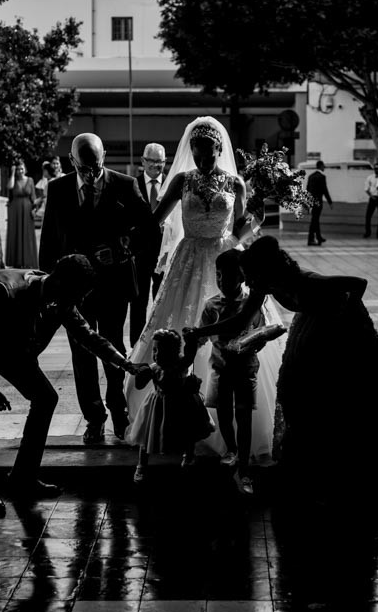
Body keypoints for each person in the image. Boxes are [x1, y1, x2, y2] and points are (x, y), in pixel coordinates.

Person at [0, 256, 148, 515]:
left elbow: (87, 335)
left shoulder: (61, 297)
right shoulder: (1, 291)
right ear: (61, 283)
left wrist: (125, 364)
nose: (80, 301)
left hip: (5, 342)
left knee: (45, 397)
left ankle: (23, 478)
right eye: (78, 294)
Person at [185, 236, 378, 498]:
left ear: (264, 272)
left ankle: (341, 464)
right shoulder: (263, 286)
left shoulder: (307, 281)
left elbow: (359, 284)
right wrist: (200, 332)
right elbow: (240, 320)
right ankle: (308, 461)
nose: (246, 282)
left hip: (336, 329)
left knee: (331, 395)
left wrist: (341, 318)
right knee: (294, 388)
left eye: (249, 275)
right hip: (309, 326)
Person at [124, 116, 285, 464]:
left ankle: (233, 431)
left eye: (208, 155)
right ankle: (176, 419)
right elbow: (155, 219)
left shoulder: (235, 183)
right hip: (189, 258)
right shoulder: (182, 181)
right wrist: (129, 234)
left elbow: (240, 230)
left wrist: (256, 219)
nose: (202, 161)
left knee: (231, 328)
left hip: (226, 257)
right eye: (196, 155)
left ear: (219, 149)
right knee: (181, 329)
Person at [38, 133, 154, 445]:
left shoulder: (125, 185)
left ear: (104, 157)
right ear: (71, 161)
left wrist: (121, 248)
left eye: (96, 167)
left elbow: (148, 229)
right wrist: (49, 287)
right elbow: (49, 240)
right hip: (74, 287)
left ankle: (118, 411)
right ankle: (93, 417)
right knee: (81, 353)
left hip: (114, 282)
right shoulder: (58, 188)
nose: (90, 174)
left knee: (113, 345)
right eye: (83, 168)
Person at [199, 249, 284, 495]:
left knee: (244, 415)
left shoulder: (251, 302)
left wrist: (252, 345)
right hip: (220, 366)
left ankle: (244, 469)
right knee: (224, 412)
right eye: (218, 275)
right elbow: (203, 335)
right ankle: (232, 449)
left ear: (241, 277)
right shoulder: (211, 305)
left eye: (227, 276)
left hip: (246, 368)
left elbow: (261, 332)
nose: (221, 280)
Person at [130, 329, 213, 483]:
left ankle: (189, 455)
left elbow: (190, 355)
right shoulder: (154, 368)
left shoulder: (181, 364)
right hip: (158, 404)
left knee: (188, 431)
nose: (156, 354)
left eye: (161, 350)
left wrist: (191, 340)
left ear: (174, 352)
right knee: (148, 434)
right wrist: (140, 374)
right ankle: (141, 464)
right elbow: (140, 385)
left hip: (182, 404)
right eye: (154, 350)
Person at [131, 142, 168, 345]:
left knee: (161, 300)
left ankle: (160, 342)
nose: (155, 165)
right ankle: (136, 344)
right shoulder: (132, 184)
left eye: (160, 161)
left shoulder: (171, 184)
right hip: (140, 252)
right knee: (138, 301)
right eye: (151, 161)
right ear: (143, 161)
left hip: (164, 252)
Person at [4, 159, 38, 267]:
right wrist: (12, 173)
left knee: (27, 233)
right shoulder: (13, 180)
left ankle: (27, 260)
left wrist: (34, 209)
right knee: (16, 233)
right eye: (18, 169)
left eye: (22, 169)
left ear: (25, 169)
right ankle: (16, 261)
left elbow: (33, 197)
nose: (20, 171)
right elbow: (9, 187)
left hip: (27, 209)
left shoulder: (30, 180)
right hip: (15, 210)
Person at [306, 160, 333, 246]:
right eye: (323, 166)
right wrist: (330, 202)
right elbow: (325, 190)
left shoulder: (310, 176)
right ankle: (310, 239)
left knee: (315, 219)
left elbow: (307, 190)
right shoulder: (322, 177)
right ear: (321, 166)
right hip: (318, 202)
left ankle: (318, 237)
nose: (324, 167)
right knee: (314, 220)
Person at [363, 161, 378, 238]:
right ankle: (367, 232)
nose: (377, 170)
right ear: (374, 169)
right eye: (376, 168)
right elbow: (366, 189)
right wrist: (371, 196)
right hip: (373, 198)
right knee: (368, 216)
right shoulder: (370, 177)